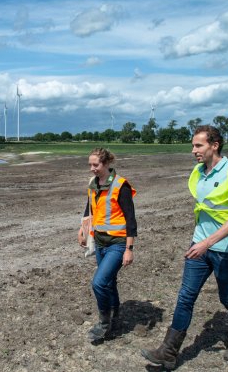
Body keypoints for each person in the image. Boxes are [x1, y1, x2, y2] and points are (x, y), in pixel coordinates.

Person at [141, 125, 228, 369]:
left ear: (214, 145)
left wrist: (207, 242)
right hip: (199, 247)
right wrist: (200, 241)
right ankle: (169, 351)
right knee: (185, 296)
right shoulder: (199, 172)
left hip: (226, 249)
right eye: (193, 145)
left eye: (198, 145)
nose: (193, 150)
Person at [77, 147, 137, 343]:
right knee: (109, 282)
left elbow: (130, 219)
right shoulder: (93, 183)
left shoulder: (121, 185)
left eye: (96, 165)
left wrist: (129, 249)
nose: (92, 169)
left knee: (99, 283)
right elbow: (89, 209)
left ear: (106, 164)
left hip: (118, 244)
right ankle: (115, 318)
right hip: (100, 242)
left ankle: (104, 323)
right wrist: (82, 230)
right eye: (90, 165)